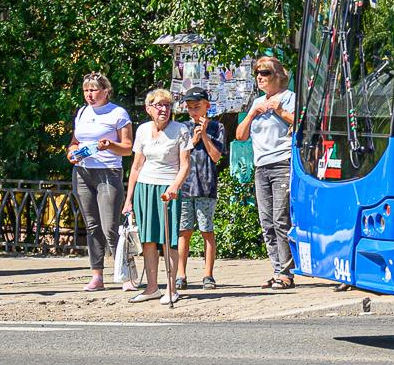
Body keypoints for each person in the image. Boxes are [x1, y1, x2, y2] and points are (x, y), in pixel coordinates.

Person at [237, 58, 298, 288]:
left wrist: (279, 110)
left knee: (281, 219)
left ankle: (286, 273)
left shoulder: (289, 97)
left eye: (265, 72)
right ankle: (276, 269)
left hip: (282, 162)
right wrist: (252, 113)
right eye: (257, 73)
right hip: (261, 165)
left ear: (277, 75)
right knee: (266, 221)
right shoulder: (257, 101)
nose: (260, 77)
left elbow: (300, 124)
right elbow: (240, 135)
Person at [69, 73, 133, 294]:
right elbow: (75, 141)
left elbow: (127, 147)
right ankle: (97, 275)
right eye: (86, 90)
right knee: (92, 225)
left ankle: (124, 273)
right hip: (83, 172)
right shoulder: (83, 112)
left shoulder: (118, 113)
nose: (89, 95)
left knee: (110, 226)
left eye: (94, 90)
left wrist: (109, 145)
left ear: (106, 91)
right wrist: (72, 152)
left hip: (108, 172)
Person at [124, 90, 189, 305]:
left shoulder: (180, 129)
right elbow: (136, 166)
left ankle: (171, 289)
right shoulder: (142, 130)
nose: (164, 109)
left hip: (167, 189)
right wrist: (129, 199)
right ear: (149, 108)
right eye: (159, 105)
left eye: (167, 105)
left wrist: (175, 187)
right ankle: (152, 287)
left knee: (168, 239)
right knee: (148, 239)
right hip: (145, 186)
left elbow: (185, 165)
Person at [175, 88, 227, 290]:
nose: (193, 111)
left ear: (207, 106)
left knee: (207, 230)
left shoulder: (217, 127)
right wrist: (193, 139)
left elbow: (216, 156)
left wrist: (204, 135)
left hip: (206, 186)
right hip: (186, 187)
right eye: (189, 108)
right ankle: (181, 273)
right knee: (184, 231)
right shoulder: (182, 128)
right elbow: (179, 155)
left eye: (196, 107)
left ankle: (208, 274)